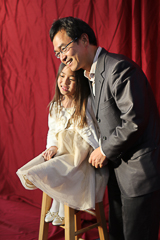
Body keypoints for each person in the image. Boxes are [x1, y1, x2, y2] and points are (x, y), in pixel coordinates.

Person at [49, 16, 160, 240]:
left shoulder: (118, 68)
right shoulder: (88, 76)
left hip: (139, 175)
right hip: (118, 175)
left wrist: (105, 150)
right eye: (57, 53)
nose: (62, 57)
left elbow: (134, 121)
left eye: (64, 48)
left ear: (84, 39)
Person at [16, 63, 108, 226]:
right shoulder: (55, 106)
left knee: (59, 167)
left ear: (80, 82)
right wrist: (51, 147)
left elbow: (97, 132)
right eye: (62, 76)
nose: (64, 82)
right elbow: (52, 132)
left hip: (81, 161)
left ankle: (59, 206)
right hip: (62, 154)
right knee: (45, 163)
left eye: (71, 79)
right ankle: (41, 182)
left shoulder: (87, 103)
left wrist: (99, 149)